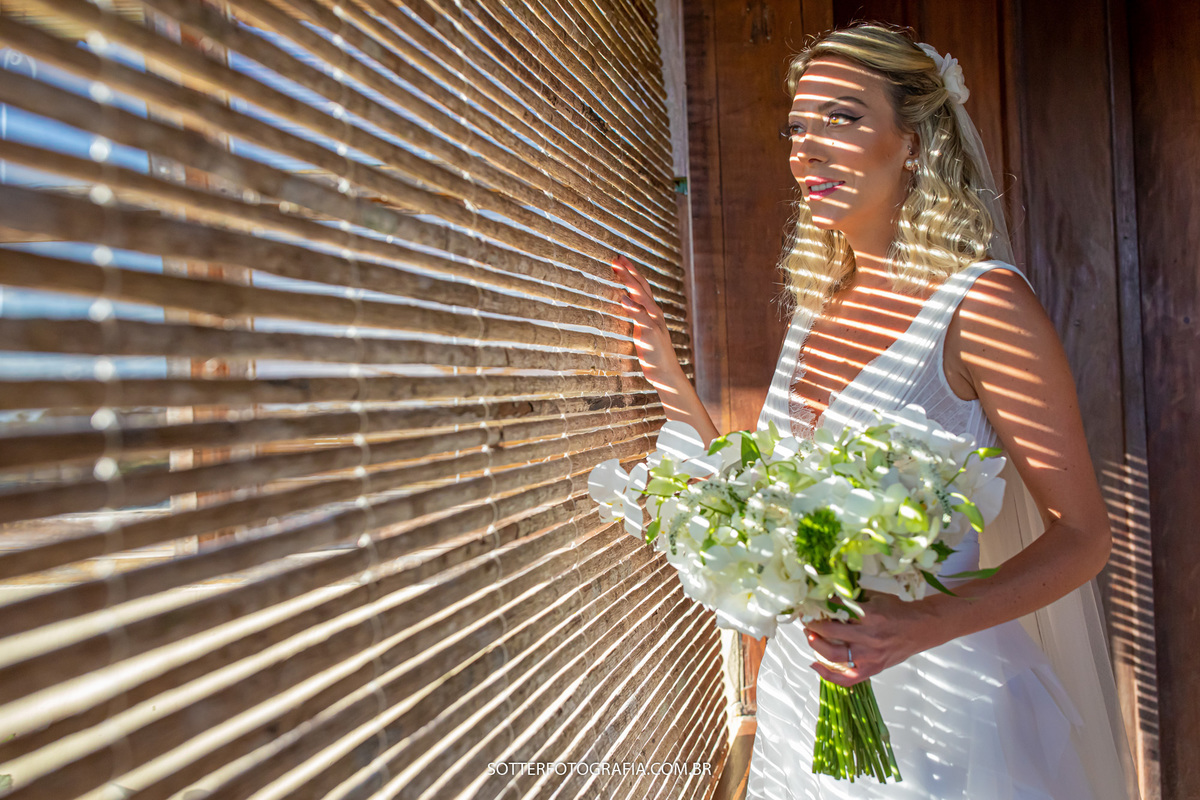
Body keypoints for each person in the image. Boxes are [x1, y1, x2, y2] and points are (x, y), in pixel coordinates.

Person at [610, 22, 1138, 800]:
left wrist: (921, 624)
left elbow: (1085, 537)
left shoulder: (983, 305)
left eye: (842, 118)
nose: (805, 149)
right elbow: (773, 502)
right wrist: (673, 388)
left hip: (946, 718)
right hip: (802, 699)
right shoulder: (817, 311)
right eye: (796, 127)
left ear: (916, 139)